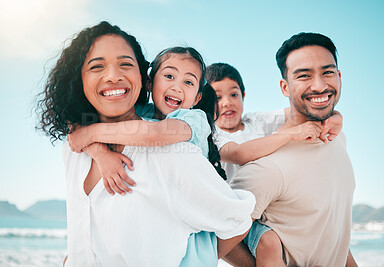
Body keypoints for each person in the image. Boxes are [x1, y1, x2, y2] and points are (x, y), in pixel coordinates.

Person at [36, 21, 255, 267]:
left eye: (125, 64)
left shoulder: (172, 150)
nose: (113, 76)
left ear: (141, 77)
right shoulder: (74, 150)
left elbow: (236, 222)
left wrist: (194, 260)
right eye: (97, 66)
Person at [229, 32, 358, 266]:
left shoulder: (338, 140)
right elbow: (218, 240)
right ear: (285, 87)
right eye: (304, 76)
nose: (319, 85)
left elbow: (330, 235)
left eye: (327, 72)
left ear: (339, 77)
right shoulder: (267, 168)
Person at [67, 47, 226, 195]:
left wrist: (91, 134)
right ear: (150, 83)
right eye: (169, 76)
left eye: (188, 82)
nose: (177, 87)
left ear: (197, 98)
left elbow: (155, 134)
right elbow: (78, 129)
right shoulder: (140, 111)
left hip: (194, 204)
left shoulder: (194, 119)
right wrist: (102, 155)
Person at [206, 63, 343, 183]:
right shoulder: (212, 135)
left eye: (234, 95)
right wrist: (290, 134)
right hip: (236, 207)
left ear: (243, 96)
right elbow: (238, 154)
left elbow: (304, 111)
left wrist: (334, 115)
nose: (227, 103)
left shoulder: (255, 121)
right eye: (217, 97)